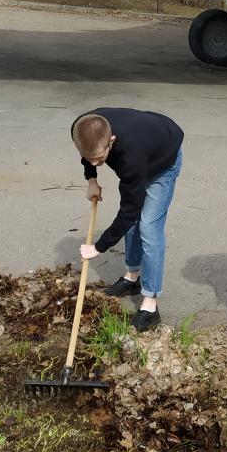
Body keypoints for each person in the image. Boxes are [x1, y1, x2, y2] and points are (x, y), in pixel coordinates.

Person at [71, 108, 184, 332]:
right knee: (133, 224)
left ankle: (150, 305)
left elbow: (129, 211)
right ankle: (132, 278)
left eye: (100, 158)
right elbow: (89, 156)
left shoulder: (131, 156)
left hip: (163, 157)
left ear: (111, 140)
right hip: (144, 142)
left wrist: (99, 247)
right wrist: (91, 179)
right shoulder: (81, 127)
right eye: (89, 158)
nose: (94, 162)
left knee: (149, 226)